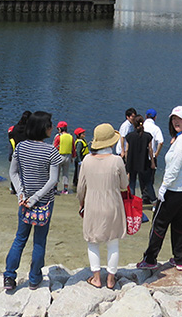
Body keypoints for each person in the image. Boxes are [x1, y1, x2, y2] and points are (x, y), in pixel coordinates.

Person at [4, 111, 63, 291]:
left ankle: (9, 276)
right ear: (44, 128)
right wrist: (36, 197)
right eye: (50, 124)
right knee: (39, 241)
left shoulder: (20, 147)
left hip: (24, 202)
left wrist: (21, 195)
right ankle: (34, 278)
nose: (52, 127)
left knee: (20, 238)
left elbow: (12, 173)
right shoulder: (51, 151)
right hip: (44, 202)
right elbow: (53, 180)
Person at [138, 106, 182, 271]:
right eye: (173, 119)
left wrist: (163, 188)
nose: (175, 122)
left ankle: (150, 258)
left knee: (159, 223)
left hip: (175, 190)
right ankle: (180, 259)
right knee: (180, 223)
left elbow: (175, 166)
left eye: (179, 119)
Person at [77, 123, 129, 290]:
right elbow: (124, 185)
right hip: (113, 205)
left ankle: (96, 278)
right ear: (111, 142)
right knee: (113, 243)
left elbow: (80, 188)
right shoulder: (117, 160)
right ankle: (111, 280)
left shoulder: (86, 160)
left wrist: (81, 203)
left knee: (93, 242)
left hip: (92, 204)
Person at [124, 114, 153, 198]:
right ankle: (154, 202)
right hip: (143, 162)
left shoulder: (129, 136)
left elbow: (127, 150)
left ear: (134, 124)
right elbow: (150, 150)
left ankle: (132, 202)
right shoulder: (147, 136)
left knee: (132, 182)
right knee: (148, 183)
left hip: (132, 162)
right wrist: (152, 162)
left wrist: (126, 161)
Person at [140, 109, 164, 205]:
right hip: (151, 157)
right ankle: (150, 197)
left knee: (141, 178)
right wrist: (156, 153)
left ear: (145, 116)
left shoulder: (141, 127)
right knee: (150, 178)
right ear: (155, 117)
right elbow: (161, 142)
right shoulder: (156, 128)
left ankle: (144, 196)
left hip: (140, 156)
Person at [53, 121, 75, 194]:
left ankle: (55, 188)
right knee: (66, 174)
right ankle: (65, 189)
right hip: (68, 157)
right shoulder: (71, 137)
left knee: (57, 173)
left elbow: (54, 147)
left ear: (60, 129)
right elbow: (73, 148)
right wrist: (73, 157)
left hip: (59, 156)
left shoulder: (58, 137)